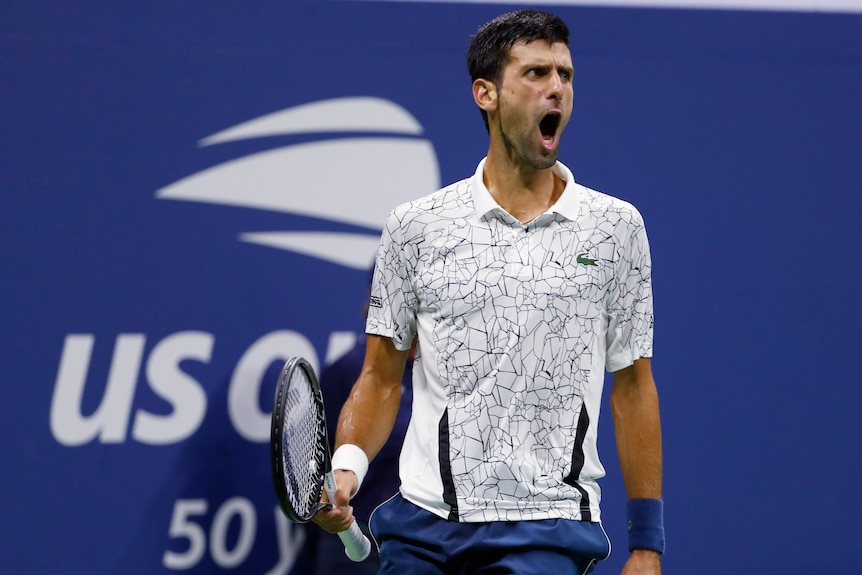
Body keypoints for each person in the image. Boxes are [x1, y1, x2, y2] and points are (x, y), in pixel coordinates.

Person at [313, 9, 664, 575]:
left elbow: (632, 387)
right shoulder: (416, 226)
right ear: (487, 94)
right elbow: (380, 378)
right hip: (421, 528)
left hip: (547, 529)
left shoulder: (616, 228)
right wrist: (349, 469)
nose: (557, 88)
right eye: (536, 74)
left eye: (565, 75)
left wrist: (646, 545)